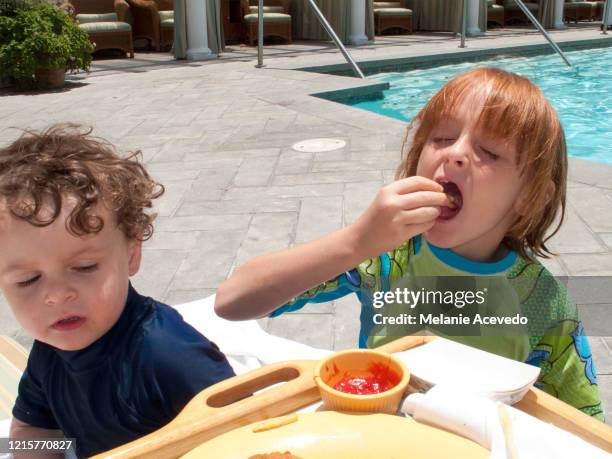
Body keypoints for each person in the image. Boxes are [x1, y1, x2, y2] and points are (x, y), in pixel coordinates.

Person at [215, 68, 603, 421]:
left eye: (489, 152)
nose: (455, 153)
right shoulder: (387, 258)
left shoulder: (545, 304)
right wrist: (357, 241)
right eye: (443, 138)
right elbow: (233, 301)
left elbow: (585, 425)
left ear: (530, 198)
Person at [0, 124, 236, 457]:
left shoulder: (170, 357)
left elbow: (244, 436)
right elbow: (30, 429)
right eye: (27, 280)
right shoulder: (49, 350)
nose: (56, 295)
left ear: (131, 252)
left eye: (83, 268)